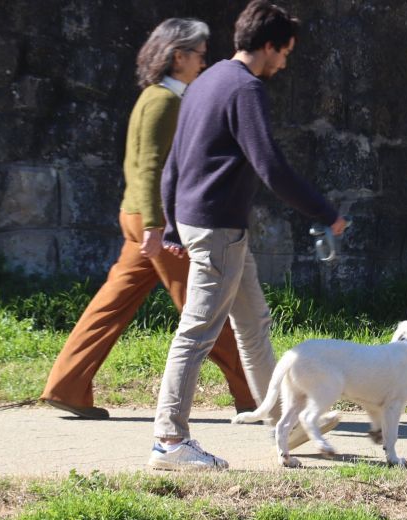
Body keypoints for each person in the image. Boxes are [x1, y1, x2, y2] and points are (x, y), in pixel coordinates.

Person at [145, 0, 348, 470]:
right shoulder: (245, 89)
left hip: (214, 225)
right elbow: (271, 166)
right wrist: (325, 212)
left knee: (253, 324)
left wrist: (175, 224)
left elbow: (174, 161)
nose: (284, 62)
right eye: (285, 52)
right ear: (269, 45)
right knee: (196, 334)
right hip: (218, 228)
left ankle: (284, 423)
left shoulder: (207, 80)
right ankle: (169, 441)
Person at [40, 18, 257, 420]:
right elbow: (152, 168)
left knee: (111, 305)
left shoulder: (154, 96)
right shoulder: (164, 101)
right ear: (179, 56)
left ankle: (67, 385)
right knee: (207, 307)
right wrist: (158, 227)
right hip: (156, 223)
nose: (203, 65)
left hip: (139, 217)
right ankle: (256, 395)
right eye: (199, 56)